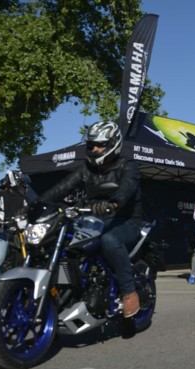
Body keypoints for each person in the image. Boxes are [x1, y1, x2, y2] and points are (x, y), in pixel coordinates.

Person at [39, 120, 143, 318]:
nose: (94, 149)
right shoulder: (87, 168)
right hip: (95, 220)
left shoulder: (127, 165)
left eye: (100, 145)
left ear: (113, 144)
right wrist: (36, 204)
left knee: (109, 240)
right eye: (91, 145)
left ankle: (129, 292)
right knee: (65, 241)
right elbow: (63, 187)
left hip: (125, 220)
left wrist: (114, 202)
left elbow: (128, 185)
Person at [0, 173, 28, 301]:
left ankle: (26, 289)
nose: (24, 185)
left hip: (21, 233)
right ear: (13, 182)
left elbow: (31, 210)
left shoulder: (24, 198)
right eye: (22, 182)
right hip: (4, 232)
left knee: (28, 260)